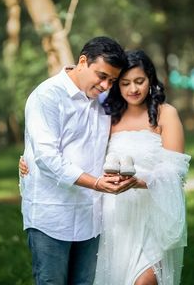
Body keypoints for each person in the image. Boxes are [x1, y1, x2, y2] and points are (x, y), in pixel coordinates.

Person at [21, 49, 190, 285]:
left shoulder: (166, 114)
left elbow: (177, 169)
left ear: (151, 80)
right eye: (124, 83)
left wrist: (141, 181)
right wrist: (29, 159)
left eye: (140, 81)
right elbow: (76, 149)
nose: (133, 89)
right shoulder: (108, 115)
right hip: (112, 215)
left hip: (150, 213)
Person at [20, 36, 136, 285]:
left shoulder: (102, 102)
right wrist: (96, 183)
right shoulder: (47, 97)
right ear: (82, 61)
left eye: (112, 80)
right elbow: (47, 157)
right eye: (101, 76)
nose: (106, 86)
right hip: (51, 216)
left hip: (90, 218)